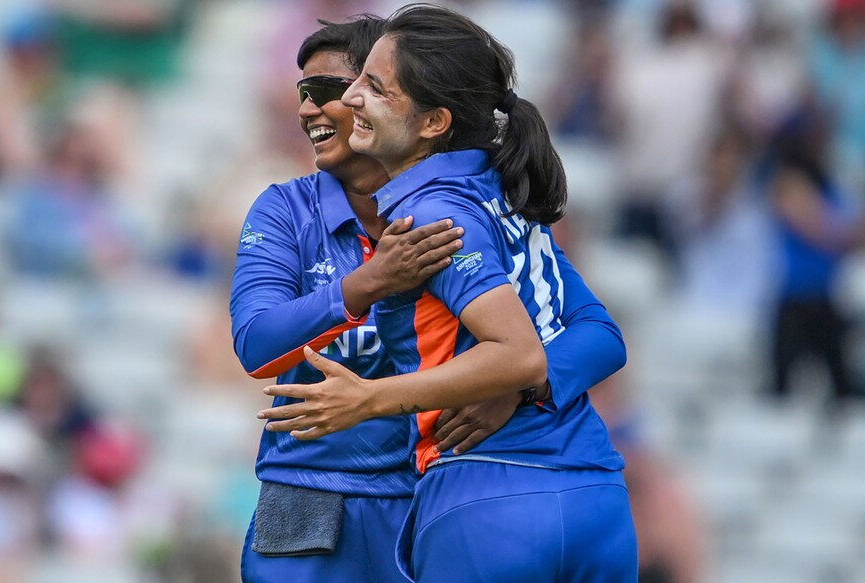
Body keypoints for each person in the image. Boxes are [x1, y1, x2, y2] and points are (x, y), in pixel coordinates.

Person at [231, 15, 625, 583]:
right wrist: (370, 283)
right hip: (309, 494)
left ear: (417, 112)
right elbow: (256, 347)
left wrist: (514, 389)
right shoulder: (285, 210)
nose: (307, 110)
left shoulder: (462, 208)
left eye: (330, 91)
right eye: (302, 92)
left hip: (429, 491)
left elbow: (598, 334)